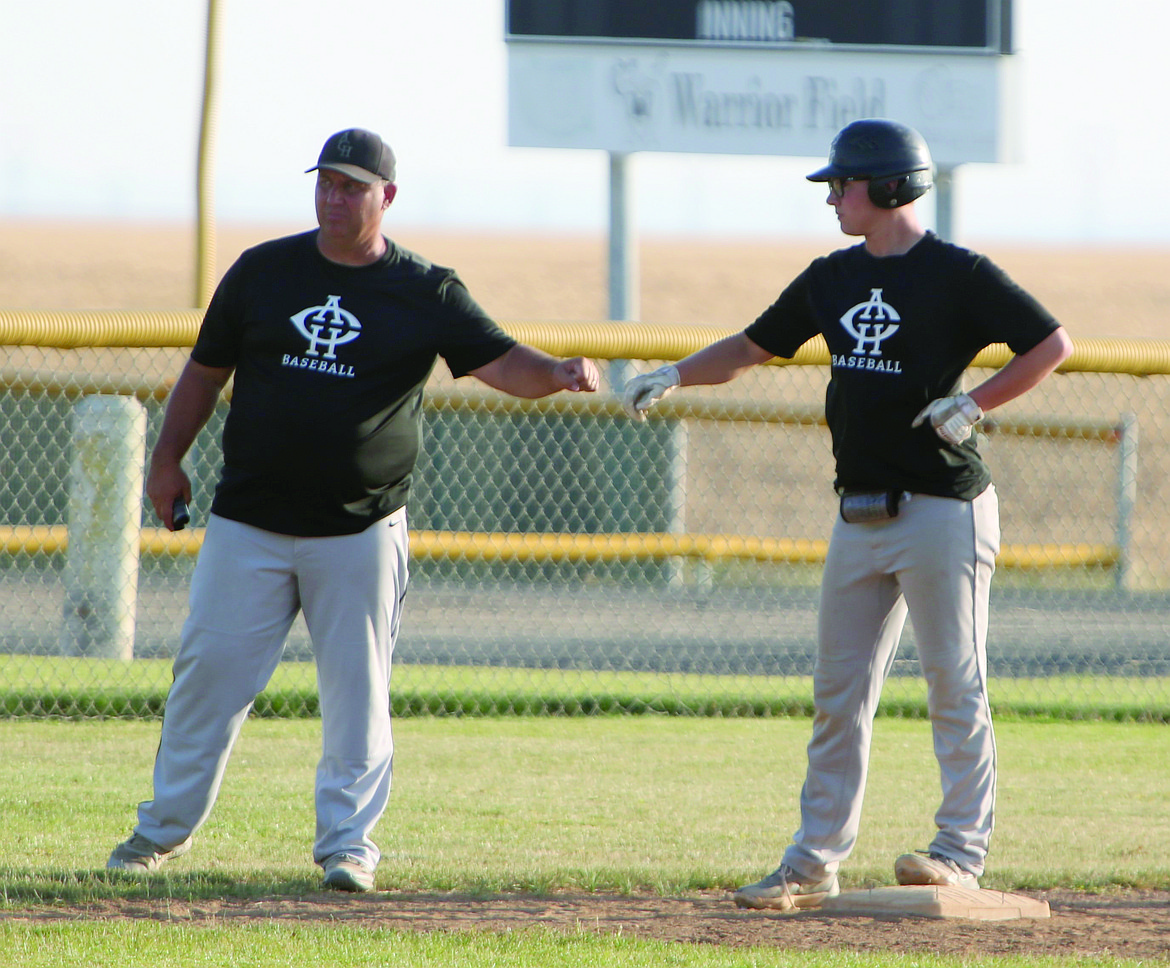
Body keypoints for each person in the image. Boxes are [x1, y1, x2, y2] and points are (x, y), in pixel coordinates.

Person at [107, 127, 600, 892]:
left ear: (386, 198)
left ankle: (348, 848)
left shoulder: (425, 289)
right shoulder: (264, 272)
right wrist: (167, 460)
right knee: (206, 681)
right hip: (250, 522)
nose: (334, 198)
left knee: (357, 695)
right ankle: (156, 836)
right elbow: (204, 373)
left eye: (351, 186)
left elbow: (500, 360)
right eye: (326, 183)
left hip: (360, 528)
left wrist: (557, 372)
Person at [623, 118, 1073, 912]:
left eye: (844, 183)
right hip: (858, 514)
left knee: (953, 684)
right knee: (839, 692)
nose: (832, 197)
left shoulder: (957, 273)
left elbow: (1050, 344)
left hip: (945, 509)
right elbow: (754, 346)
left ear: (891, 187)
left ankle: (959, 853)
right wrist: (676, 373)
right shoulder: (831, 277)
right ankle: (812, 862)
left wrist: (973, 402)